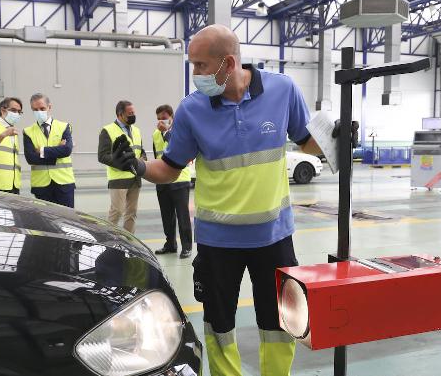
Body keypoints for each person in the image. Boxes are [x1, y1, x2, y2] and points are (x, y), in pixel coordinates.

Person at [107, 24, 345, 376]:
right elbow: (170, 168)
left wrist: (337, 137)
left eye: (201, 65)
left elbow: (305, 140)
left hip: (274, 237)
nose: (195, 74)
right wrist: (139, 166)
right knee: (219, 324)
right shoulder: (191, 110)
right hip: (218, 242)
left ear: (228, 63)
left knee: (279, 322)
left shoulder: (283, 90)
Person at [97, 100, 147, 233]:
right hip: (118, 178)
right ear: (120, 114)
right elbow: (102, 156)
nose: (133, 115)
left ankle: (128, 243)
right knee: (117, 212)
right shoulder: (107, 130)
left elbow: (140, 150)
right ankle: (106, 239)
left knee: (131, 213)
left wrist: (143, 160)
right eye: (130, 113)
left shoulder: (136, 130)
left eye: (134, 113)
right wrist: (120, 164)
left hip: (135, 178)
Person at [152, 104, 193, 258]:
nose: (160, 122)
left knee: (182, 215)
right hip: (162, 180)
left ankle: (187, 246)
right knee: (166, 215)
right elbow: (157, 156)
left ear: (171, 118)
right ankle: (170, 244)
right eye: (158, 119)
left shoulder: (180, 130)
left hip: (179, 178)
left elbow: (179, 147)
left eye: (164, 118)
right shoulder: (156, 134)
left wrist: (167, 132)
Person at [23, 93, 76, 208]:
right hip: (41, 186)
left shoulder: (64, 126)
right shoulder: (28, 131)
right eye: (35, 109)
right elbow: (30, 158)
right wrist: (57, 151)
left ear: (49, 107)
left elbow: (66, 150)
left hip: (64, 183)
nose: (39, 112)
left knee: (67, 220)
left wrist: (41, 151)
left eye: (42, 108)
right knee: (45, 224)